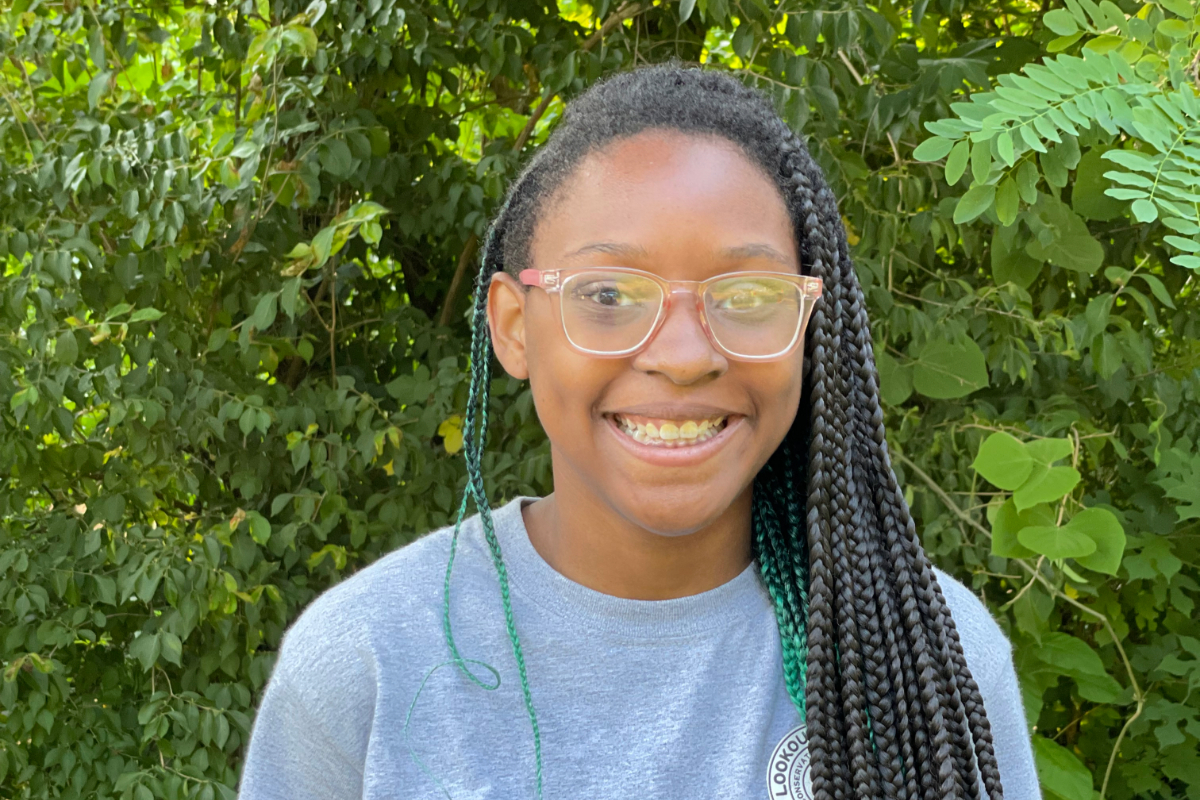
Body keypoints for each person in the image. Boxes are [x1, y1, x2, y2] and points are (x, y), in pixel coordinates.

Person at [237, 63, 1040, 800]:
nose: (686, 356)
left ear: (810, 330)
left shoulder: (927, 657)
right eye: (610, 294)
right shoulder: (365, 666)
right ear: (514, 328)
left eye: (749, 295)